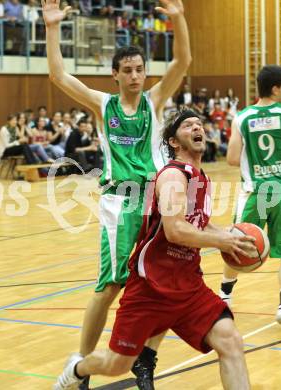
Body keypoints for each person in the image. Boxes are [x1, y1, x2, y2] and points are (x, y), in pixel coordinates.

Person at [43, 0, 192, 388]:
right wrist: (53, 26)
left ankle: (145, 359)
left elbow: (182, 62)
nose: (135, 76)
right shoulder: (103, 104)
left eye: (140, 70)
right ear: (115, 75)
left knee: (163, 281)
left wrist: (177, 18)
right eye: (127, 70)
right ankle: (78, 364)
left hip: (156, 201)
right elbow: (59, 76)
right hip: (119, 201)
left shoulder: (154, 102)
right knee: (110, 285)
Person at [53, 109, 253, 390]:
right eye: (188, 125)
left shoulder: (199, 177)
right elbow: (175, 230)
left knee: (230, 340)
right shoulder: (173, 176)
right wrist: (223, 242)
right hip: (151, 288)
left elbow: (197, 224)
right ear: (174, 141)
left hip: (187, 287)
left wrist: (230, 234)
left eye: (199, 124)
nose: (197, 127)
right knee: (117, 364)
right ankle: (76, 369)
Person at [219, 65, 281, 329]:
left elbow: (230, 159)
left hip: (255, 193)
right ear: (275, 89)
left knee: (236, 246)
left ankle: (223, 297)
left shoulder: (242, 117)